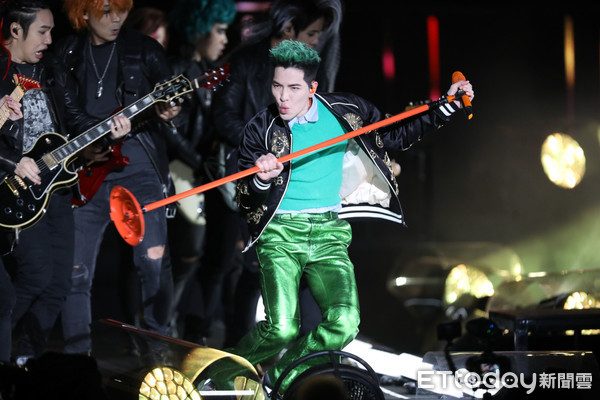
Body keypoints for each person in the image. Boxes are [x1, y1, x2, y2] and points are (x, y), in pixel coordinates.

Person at [231, 40, 474, 394]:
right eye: (277, 86)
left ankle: (281, 376)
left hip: (329, 231)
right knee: (282, 328)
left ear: (312, 87)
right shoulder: (261, 127)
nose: (283, 97)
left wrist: (446, 106)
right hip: (281, 233)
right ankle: (220, 370)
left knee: (344, 323)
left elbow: (396, 132)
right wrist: (259, 179)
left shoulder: (346, 111)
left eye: (294, 88)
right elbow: (243, 198)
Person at [211, 0, 343, 348]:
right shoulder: (247, 61)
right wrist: (263, 148)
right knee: (254, 266)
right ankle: (238, 351)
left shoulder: (310, 70)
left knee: (305, 266)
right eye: (311, 33)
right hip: (255, 177)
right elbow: (223, 115)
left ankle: (306, 357)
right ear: (288, 30)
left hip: (295, 181)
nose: (317, 41)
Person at [57, 0, 180, 357]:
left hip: (139, 166)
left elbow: (171, 99)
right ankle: (76, 361)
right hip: (87, 170)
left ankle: (159, 353)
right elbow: (58, 110)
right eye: (107, 10)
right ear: (84, 11)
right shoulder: (66, 51)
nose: (117, 19)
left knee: (152, 261)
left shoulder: (145, 49)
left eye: (123, 9)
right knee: (76, 273)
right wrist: (82, 147)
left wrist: (172, 109)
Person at [164, 0, 236, 342]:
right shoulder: (178, 69)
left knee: (200, 257)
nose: (224, 38)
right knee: (185, 255)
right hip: (181, 172)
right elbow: (168, 126)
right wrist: (197, 159)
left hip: (199, 173)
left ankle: (178, 327)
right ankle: (162, 326)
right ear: (199, 29)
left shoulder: (208, 71)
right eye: (219, 30)